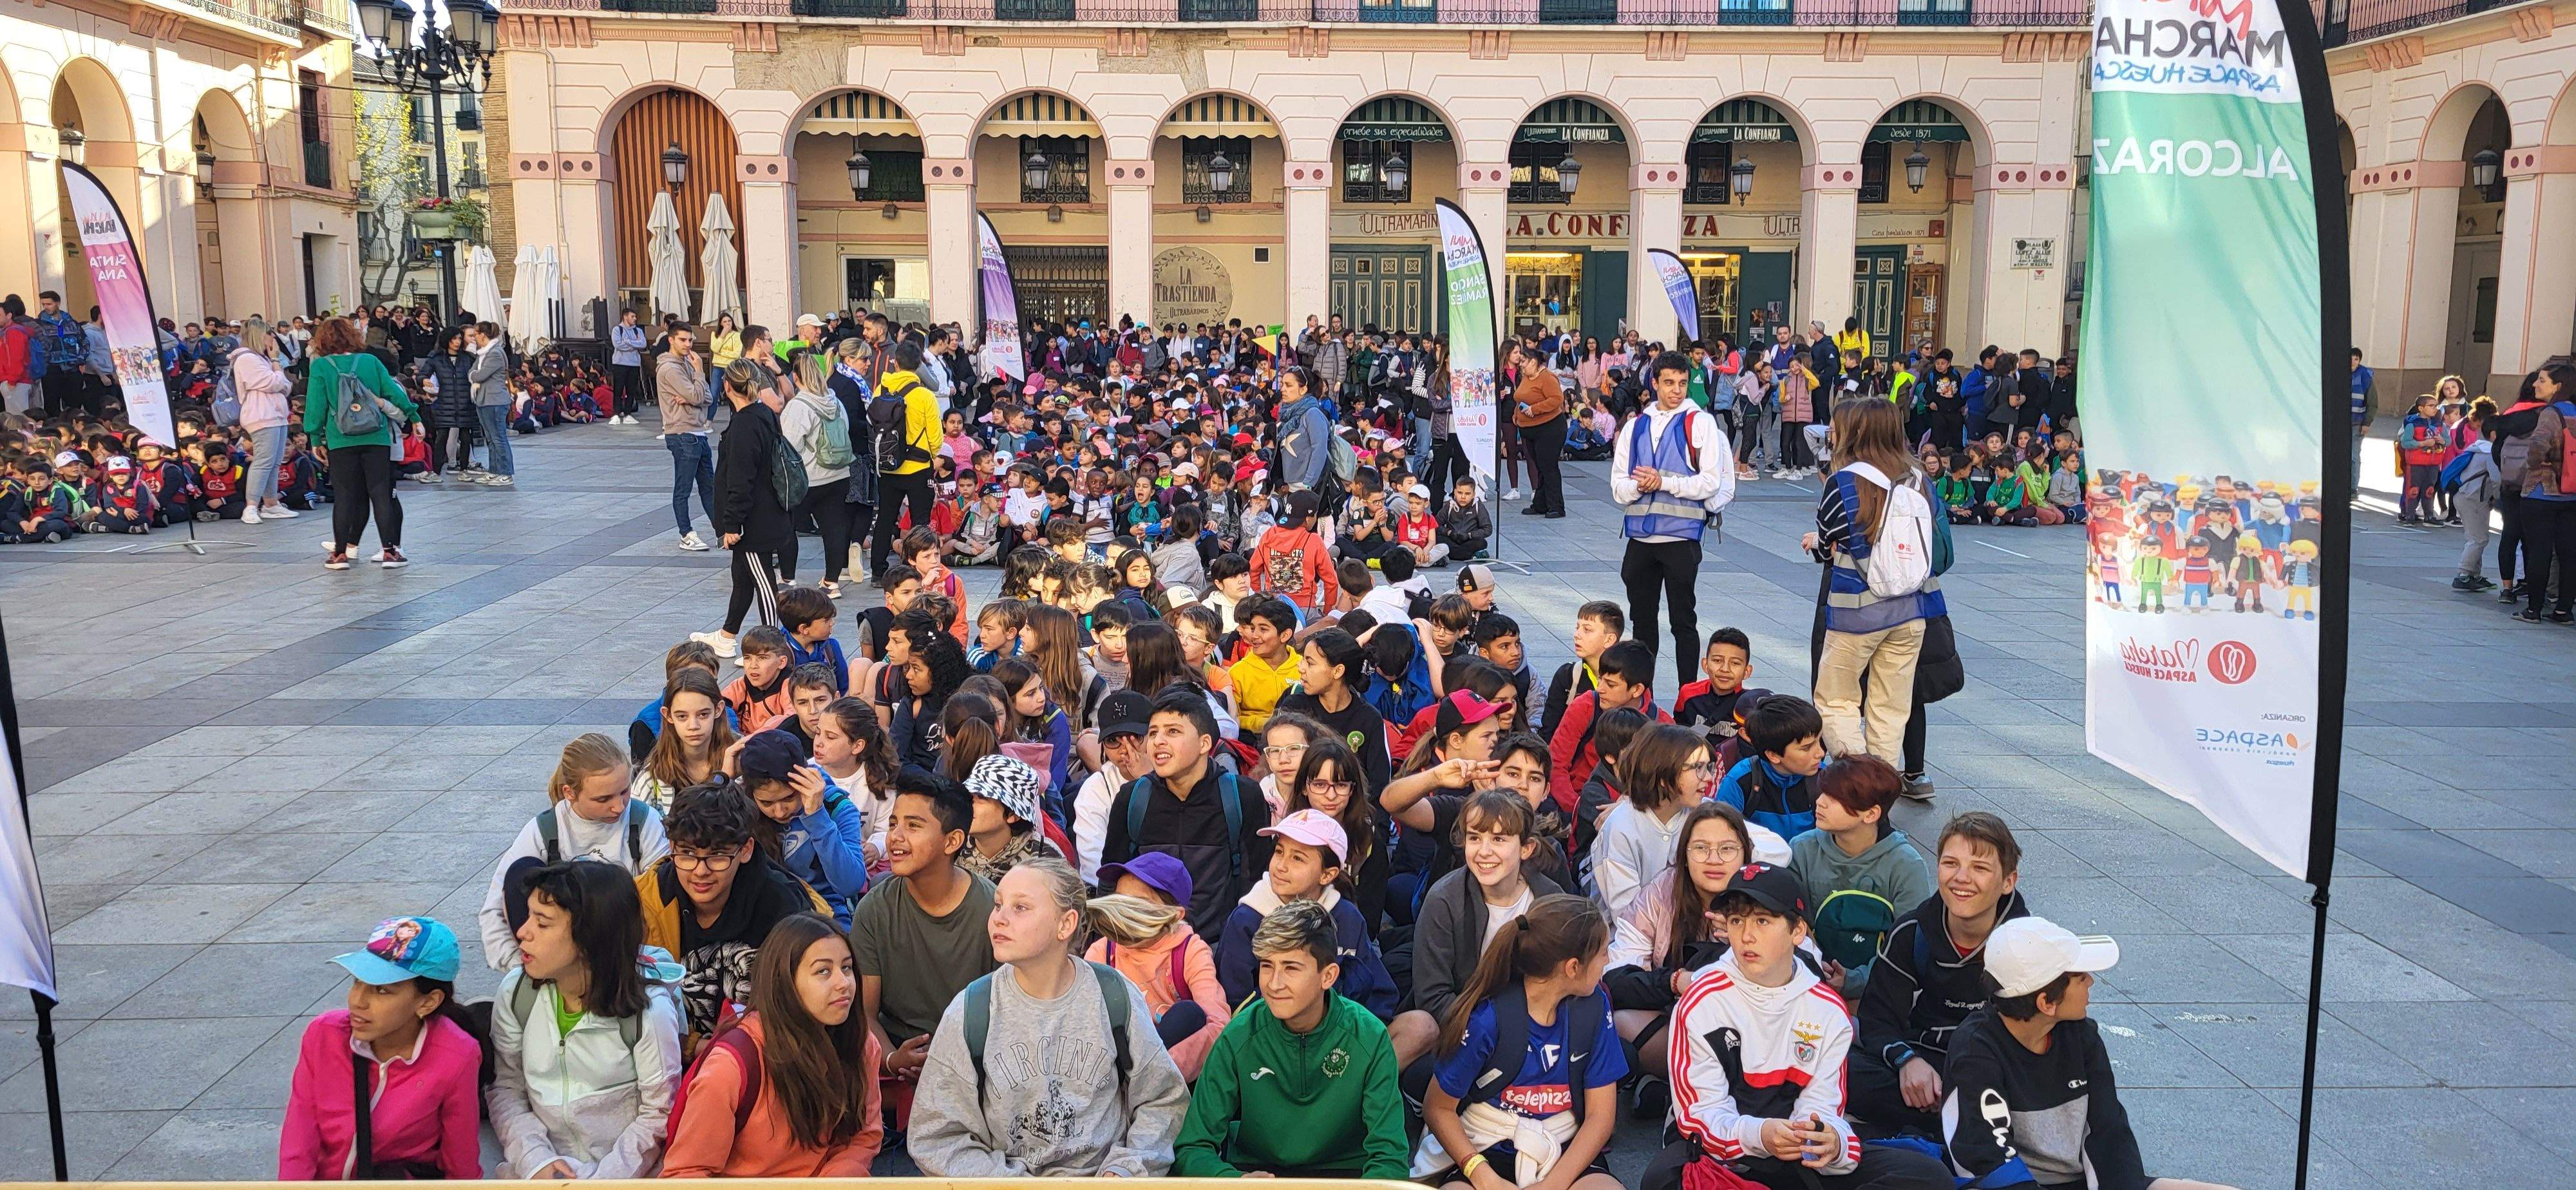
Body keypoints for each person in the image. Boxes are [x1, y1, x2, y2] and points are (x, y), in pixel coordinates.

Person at [1642, 862, 1951, 1190]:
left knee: (1927, 1176)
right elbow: (1699, 1117)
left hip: (1796, 1153)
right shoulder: (1702, 1000)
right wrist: (1760, 1135)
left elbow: (1824, 1104)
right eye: (1736, 921)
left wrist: (1829, 1142)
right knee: (1664, 1178)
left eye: (1763, 920)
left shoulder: (1826, 1008)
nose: (1747, 936)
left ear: (1797, 931)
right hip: (1727, 1156)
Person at [909, 858, 1195, 1176]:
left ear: (1065, 924)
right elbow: (937, 1136)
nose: (998, 919)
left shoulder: (1115, 996)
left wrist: (1126, 1170)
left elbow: (1163, 1100)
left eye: (1020, 908)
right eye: (998, 905)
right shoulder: (970, 1011)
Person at [1940, 918, 2244, 1190]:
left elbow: (2110, 1135)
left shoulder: (2081, 1035)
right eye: (2081, 976)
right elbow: (1989, 1162)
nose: (2091, 982)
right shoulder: (1976, 1051)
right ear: (2046, 1003)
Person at [1172, 898, 1410, 1178]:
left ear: (1329, 975)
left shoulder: (1368, 1036)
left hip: (1347, 1177)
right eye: (1267, 966)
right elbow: (1192, 1147)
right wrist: (1234, 1181)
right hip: (1256, 1176)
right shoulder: (1238, 1035)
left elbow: (1391, 1159)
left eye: (1291, 968)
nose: (1274, 984)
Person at [486, 860, 688, 1179]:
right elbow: (506, 1088)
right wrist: (535, 1159)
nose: (522, 933)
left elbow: (658, 1113)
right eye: (528, 917)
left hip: (628, 1176)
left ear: (588, 938)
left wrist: (602, 1182)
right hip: (541, 1173)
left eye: (543, 923)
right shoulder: (516, 993)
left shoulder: (648, 1013)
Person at [1416, 893, 1626, 1190]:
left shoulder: (1593, 1007)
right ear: (1572, 968)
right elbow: (1438, 1108)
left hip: (1562, 1146)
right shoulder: (1488, 1018)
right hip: (1486, 1148)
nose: (1609, 959)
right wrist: (1482, 1175)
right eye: (1604, 952)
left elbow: (1600, 1116)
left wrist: (1552, 1185)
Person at [1850, 811, 2031, 1140]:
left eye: (1980, 868)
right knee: (1842, 1070)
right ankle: (1961, 1130)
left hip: (1995, 1072)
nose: (1961, 878)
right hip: (1924, 1067)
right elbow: (1877, 1019)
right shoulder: (1911, 932)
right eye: (1951, 864)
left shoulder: (2028, 943)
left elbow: (2039, 1034)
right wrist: (1907, 1061)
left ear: (2008, 881)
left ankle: (1950, 1129)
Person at [661, 914, 886, 1176]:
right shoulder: (731, 1067)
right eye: (823, 971)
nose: (844, 984)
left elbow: (863, 1137)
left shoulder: (860, 1043)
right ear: (785, 983)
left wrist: (834, 1181)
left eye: (846, 968)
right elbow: (687, 1173)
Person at [848, 770, 999, 1132]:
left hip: (980, 1060)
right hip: (898, 1057)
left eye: (914, 826)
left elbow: (1009, 1012)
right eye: (895, 823)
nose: (895, 838)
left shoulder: (994, 909)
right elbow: (865, 1014)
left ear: (952, 842)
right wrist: (890, 1059)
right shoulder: (874, 909)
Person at [278, 916, 482, 1180]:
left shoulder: (458, 1056)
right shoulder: (323, 1036)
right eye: (357, 982)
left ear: (428, 1002)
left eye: (382, 991)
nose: (357, 1001)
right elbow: (299, 1141)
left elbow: (461, 1162)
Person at [634, 782, 831, 1046]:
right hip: (668, 1050)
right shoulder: (647, 900)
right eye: (688, 854)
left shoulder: (783, 905)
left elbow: (806, 1005)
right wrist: (692, 1046)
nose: (700, 871)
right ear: (671, 847)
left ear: (746, 849)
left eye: (717, 856)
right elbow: (629, 996)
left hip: (764, 1050)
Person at [1803, 398, 1941, 765]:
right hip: (1912, 610)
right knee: (1891, 707)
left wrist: (1817, 546)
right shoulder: (1919, 479)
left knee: (1836, 700)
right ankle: (1882, 788)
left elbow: (1827, 542)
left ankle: (1857, 781)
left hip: (1857, 614)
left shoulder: (1844, 481)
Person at [1101, 688, 1275, 941]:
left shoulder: (1241, 796)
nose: (1158, 741)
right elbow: (1110, 883)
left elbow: (1257, 881)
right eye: (1153, 733)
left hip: (1219, 946)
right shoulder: (1133, 799)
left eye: (1173, 731)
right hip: (1146, 944)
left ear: (1205, 743)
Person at [483, 733, 668, 970]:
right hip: (560, 959)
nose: (619, 806)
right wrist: (519, 970)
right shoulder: (545, 830)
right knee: (520, 871)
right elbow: (495, 908)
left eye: (624, 791)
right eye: (603, 799)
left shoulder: (644, 820)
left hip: (626, 953)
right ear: (570, 793)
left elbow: (662, 902)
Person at [1615, 351, 1739, 692]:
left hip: (1681, 539)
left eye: (1682, 383)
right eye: (1669, 383)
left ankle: (1687, 698)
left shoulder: (1700, 423)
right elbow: (1617, 487)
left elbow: (1710, 483)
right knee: (1642, 623)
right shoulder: (1635, 426)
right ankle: (1644, 695)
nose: (1677, 390)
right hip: (1640, 539)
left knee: (1683, 622)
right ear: (1653, 384)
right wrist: (1639, 485)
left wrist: (1664, 482)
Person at [1217, 807, 1397, 1015]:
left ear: (1327, 875)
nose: (1281, 866)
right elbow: (1235, 1002)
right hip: (1269, 1037)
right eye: (1279, 851)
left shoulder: (1347, 917)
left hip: (1341, 1031)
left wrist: (1358, 1034)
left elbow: (1378, 992)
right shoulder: (1246, 919)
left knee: (1419, 1025)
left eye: (1298, 859)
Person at [1786, 755, 1931, 990]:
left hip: (1881, 990)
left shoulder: (1906, 865)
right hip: (1804, 981)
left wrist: (1856, 980)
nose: (1820, 802)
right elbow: (1788, 922)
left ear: (1871, 814)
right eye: (1823, 793)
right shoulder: (1801, 850)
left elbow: (1910, 945)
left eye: (1834, 799)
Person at [1086, 855, 1232, 1080]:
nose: (1125, 912)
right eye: (1120, 900)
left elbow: (1218, 1024)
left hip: (1165, 1060)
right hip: (1114, 1060)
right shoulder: (1103, 951)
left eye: (1138, 904)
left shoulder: (1189, 951)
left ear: (1174, 915)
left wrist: (1160, 1070)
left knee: (1189, 1015)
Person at [304, 316, 419, 570]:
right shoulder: (370, 361)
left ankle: (341, 554)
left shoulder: (321, 367)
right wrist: (414, 415)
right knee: (381, 494)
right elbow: (393, 391)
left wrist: (315, 437)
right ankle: (390, 552)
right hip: (375, 436)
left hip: (340, 438)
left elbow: (315, 407)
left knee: (345, 496)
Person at [737, 728, 872, 927]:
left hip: (825, 915)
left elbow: (849, 884)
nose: (780, 811)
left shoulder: (836, 808)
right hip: (764, 914)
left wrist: (817, 817)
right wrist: (721, 780)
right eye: (767, 803)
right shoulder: (743, 807)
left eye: (789, 798)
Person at [1591, 722, 1719, 916]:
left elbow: (1772, 850)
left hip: (1691, 930)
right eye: (1698, 768)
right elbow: (1628, 914)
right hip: (1632, 940)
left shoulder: (1704, 813)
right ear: (1664, 776)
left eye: (1708, 767)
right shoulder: (1622, 828)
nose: (1708, 777)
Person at [708, 361, 793, 650]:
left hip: (753, 520)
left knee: (762, 579)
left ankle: (772, 643)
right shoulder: (763, 414)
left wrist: (732, 524)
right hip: (766, 510)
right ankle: (728, 635)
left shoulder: (746, 424)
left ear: (728, 386)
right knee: (742, 576)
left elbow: (740, 481)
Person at [781, 348, 860, 597]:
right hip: (839, 474)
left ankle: (788, 579)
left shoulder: (798, 406)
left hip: (808, 478)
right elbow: (846, 429)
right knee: (834, 527)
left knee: (788, 526)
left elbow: (789, 446)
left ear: (796, 377)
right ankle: (832, 582)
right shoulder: (835, 402)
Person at [869, 342, 943, 581]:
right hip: (918, 467)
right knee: (920, 520)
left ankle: (878, 570)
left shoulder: (882, 389)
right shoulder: (924, 395)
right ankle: (917, 568)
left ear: (895, 363)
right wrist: (931, 455)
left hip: (888, 465)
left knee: (886, 517)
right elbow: (935, 436)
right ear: (920, 365)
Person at [1713, 694, 1828, 838]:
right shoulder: (1741, 781)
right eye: (1806, 748)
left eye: (1819, 741)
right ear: (1773, 755)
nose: (1821, 753)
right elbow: (1720, 834)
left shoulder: (1825, 780)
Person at [232, 318, 298, 524]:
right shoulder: (247, 358)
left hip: (275, 414)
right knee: (264, 460)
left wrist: (277, 374)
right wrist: (276, 362)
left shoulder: (262, 359)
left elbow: (286, 385)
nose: (272, 337)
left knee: (274, 461)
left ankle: (270, 504)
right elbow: (273, 382)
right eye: (269, 333)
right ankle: (251, 506)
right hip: (261, 414)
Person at [659, 325, 717, 552]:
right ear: (672, 340)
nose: (688, 344)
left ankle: (721, 531)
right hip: (681, 433)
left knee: (709, 487)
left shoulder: (686, 365)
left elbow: (708, 397)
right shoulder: (670, 369)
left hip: (698, 432)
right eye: (683, 340)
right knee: (683, 488)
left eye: (690, 340)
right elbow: (696, 394)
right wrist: (699, 375)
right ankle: (686, 533)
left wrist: (694, 397)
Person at [1510, 344, 1571, 518]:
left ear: (1534, 362)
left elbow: (1557, 399)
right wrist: (1517, 415)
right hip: (1529, 430)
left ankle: (1557, 507)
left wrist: (1535, 409)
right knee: (1540, 467)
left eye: (1523, 361)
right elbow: (1520, 398)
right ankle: (1540, 504)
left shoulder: (1547, 378)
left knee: (1548, 467)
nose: (1520, 364)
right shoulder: (1526, 377)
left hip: (1549, 428)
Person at [611, 308, 649, 424]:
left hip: (634, 364)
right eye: (632, 316)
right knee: (618, 388)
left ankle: (628, 413)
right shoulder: (617, 330)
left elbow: (643, 343)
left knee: (631, 389)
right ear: (625, 317)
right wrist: (634, 345)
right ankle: (616, 413)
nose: (635, 319)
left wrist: (629, 342)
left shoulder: (638, 331)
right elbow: (618, 344)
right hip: (620, 363)